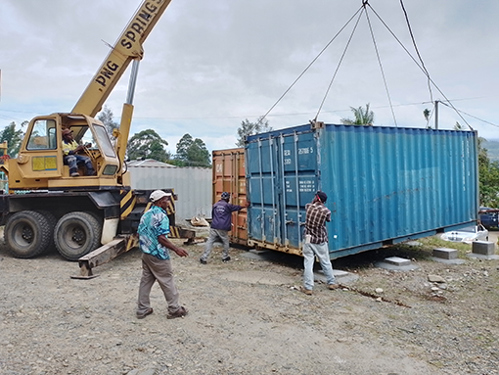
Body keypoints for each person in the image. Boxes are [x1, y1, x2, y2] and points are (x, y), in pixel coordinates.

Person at [136, 190, 189, 319]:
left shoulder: (146, 214)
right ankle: (175, 309)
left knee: (146, 281)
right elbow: (161, 238)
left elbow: (139, 233)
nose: (168, 202)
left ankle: (142, 309)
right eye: (166, 200)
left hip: (146, 253)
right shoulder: (162, 216)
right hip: (158, 255)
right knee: (167, 280)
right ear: (160, 202)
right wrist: (177, 249)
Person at [301, 190, 339, 295]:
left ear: (317, 198)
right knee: (325, 261)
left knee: (308, 262)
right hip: (320, 240)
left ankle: (308, 287)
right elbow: (328, 220)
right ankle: (331, 282)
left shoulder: (308, 206)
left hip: (308, 239)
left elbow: (311, 205)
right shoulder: (326, 211)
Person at [200, 192, 245, 264]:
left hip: (214, 226)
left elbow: (213, 215)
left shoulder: (215, 205)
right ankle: (225, 257)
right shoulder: (228, 206)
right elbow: (236, 207)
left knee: (210, 241)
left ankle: (204, 257)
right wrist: (244, 206)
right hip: (223, 227)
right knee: (226, 241)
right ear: (228, 199)